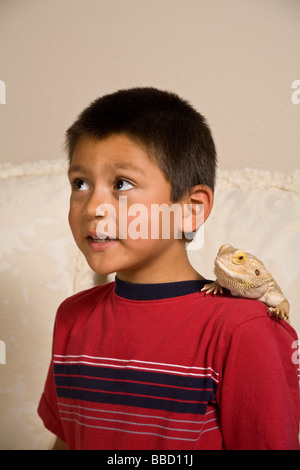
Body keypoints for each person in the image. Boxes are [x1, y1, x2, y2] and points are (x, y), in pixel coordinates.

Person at [38, 87, 300, 450]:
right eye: (80, 183)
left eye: (121, 184)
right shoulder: (72, 317)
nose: (93, 205)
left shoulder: (245, 330)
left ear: (190, 209)